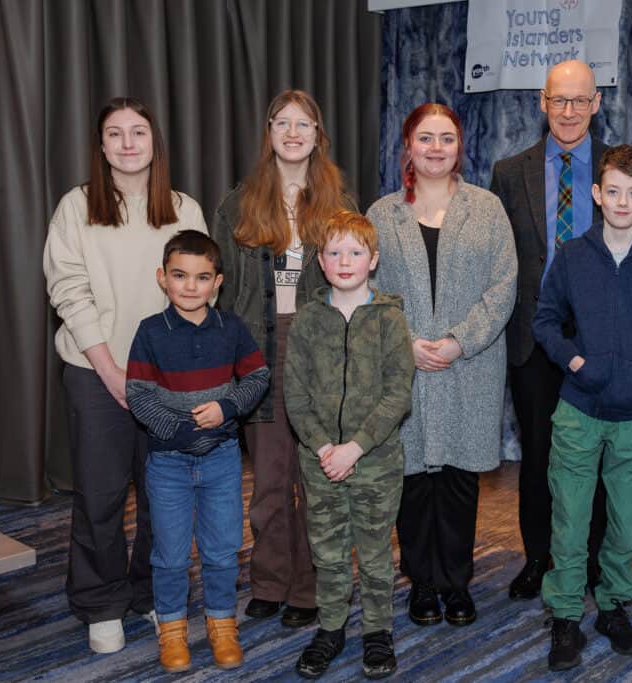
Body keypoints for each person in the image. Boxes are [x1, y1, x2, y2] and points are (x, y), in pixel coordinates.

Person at [43, 96, 207, 653]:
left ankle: (153, 594)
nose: (129, 143)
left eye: (139, 132)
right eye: (116, 134)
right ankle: (101, 602)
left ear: (155, 141)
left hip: (169, 378)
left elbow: (200, 288)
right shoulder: (77, 207)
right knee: (100, 496)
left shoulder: (184, 208)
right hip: (95, 371)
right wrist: (111, 372)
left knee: (166, 496)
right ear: (102, 146)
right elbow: (68, 289)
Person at [490, 60, 632, 601]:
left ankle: (591, 561)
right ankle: (539, 557)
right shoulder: (509, 172)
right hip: (534, 339)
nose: (568, 111)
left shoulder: (622, 171)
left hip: (601, 340)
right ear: (542, 102)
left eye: (579, 101)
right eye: (558, 100)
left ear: (596, 103)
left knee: (603, 455)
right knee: (540, 455)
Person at [533, 145, 632, 671]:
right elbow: (546, 321)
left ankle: (613, 606)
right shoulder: (574, 256)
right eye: (613, 192)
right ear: (597, 195)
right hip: (577, 412)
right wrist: (576, 363)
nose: (623, 202)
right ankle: (563, 618)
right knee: (570, 520)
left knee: (624, 524)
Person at [368, 103, 517, 628]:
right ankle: (421, 584)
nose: (436, 148)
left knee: (456, 480)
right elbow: (364, 287)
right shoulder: (381, 214)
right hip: (403, 365)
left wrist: (459, 341)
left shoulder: (488, 208)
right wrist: (402, 342)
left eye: (446, 138)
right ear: (407, 145)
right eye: (425, 138)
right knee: (411, 481)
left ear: (460, 146)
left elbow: (504, 286)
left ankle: (456, 584)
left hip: (468, 367)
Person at [212, 90, 353, 628]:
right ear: (268, 131)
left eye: (305, 124)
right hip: (259, 352)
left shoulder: (342, 206)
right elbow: (222, 294)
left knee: (316, 481)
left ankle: (310, 586)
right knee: (271, 481)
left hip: (319, 352)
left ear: (319, 135)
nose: (293, 133)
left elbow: (358, 284)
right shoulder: (237, 205)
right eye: (283, 123)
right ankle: (270, 581)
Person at [125, 231, 269, 672]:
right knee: (169, 552)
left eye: (202, 277)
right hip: (167, 461)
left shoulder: (233, 329)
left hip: (222, 459)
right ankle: (171, 629)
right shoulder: (150, 331)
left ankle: (222, 623)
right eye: (180, 275)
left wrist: (227, 407)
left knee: (223, 548)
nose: (191, 286)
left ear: (218, 282)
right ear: (162, 278)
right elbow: (138, 393)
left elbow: (258, 378)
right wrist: (177, 430)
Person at [284, 211, 415, 680]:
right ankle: (332, 627)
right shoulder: (307, 321)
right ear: (320, 261)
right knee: (328, 549)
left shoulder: (390, 320)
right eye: (334, 252)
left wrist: (354, 448)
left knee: (376, 551)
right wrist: (323, 447)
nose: (344, 261)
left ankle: (378, 631)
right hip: (319, 462)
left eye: (355, 252)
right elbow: (295, 394)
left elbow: (398, 393)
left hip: (375, 462)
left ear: (372, 260)